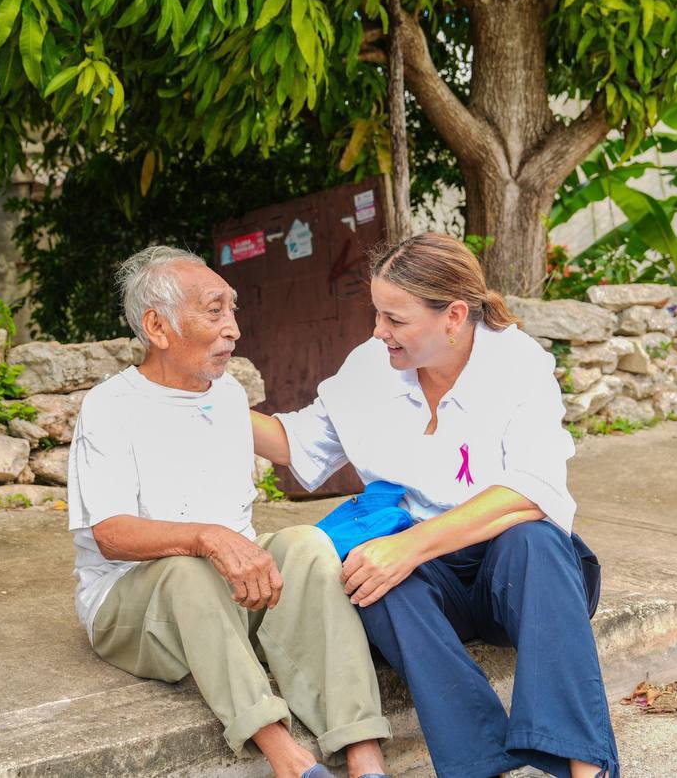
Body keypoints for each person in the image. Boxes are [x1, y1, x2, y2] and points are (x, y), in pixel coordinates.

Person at [253, 233, 619, 778]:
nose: (379, 331)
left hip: (520, 580)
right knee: (370, 574)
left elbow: (532, 489)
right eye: (377, 314)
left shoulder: (518, 364)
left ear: (453, 316)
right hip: (432, 584)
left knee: (533, 537)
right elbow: (299, 442)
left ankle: (586, 768)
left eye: (394, 319)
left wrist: (408, 546)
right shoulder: (370, 367)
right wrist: (200, 401)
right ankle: (479, 764)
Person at [67, 246, 392, 778]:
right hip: (132, 608)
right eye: (214, 311)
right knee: (188, 566)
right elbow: (111, 534)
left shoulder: (226, 394)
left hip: (230, 595)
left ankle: (361, 748)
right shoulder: (111, 406)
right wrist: (208, 537)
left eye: (232, 310)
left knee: (309, 546)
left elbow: (296, 442)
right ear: (157, 325)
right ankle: (280, 748)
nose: (233, 329)